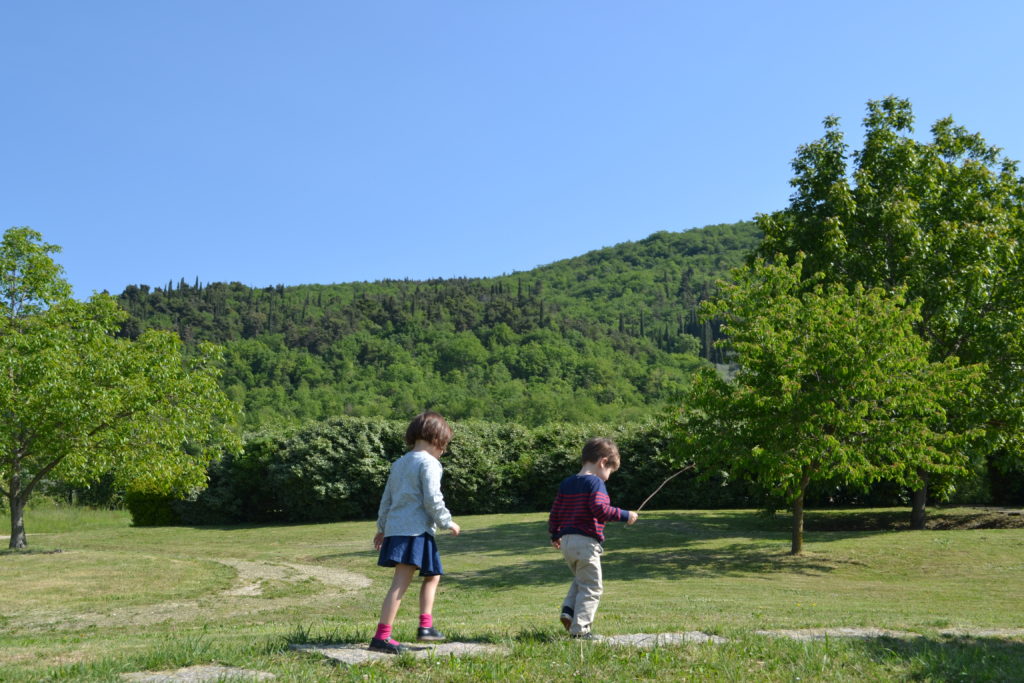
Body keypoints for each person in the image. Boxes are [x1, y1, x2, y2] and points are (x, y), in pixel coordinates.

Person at [369, 411, 461, 654]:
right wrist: (447, 521)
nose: (445, 450)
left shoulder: (399, 463)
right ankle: (382, 637)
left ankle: (426, 626)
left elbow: (386, 500)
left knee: (433, 574)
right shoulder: (429, 463)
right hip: (414, 532)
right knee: (400, 584)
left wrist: (382, 528)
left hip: (400, 530)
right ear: (437, 439)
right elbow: (432, 498)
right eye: (445, 445)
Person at [548, 437, 638, 639]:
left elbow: (555, 512)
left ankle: (569, 611)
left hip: (567, 542)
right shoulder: (595, 482)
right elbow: (600, 509)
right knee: (592, 587)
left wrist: (555, 533)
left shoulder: (567, 483)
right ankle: (581, 630)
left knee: (582, 579)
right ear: (603, 462)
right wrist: (626, 515)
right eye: (609, 472)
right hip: (586, 542)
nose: (607, 478)